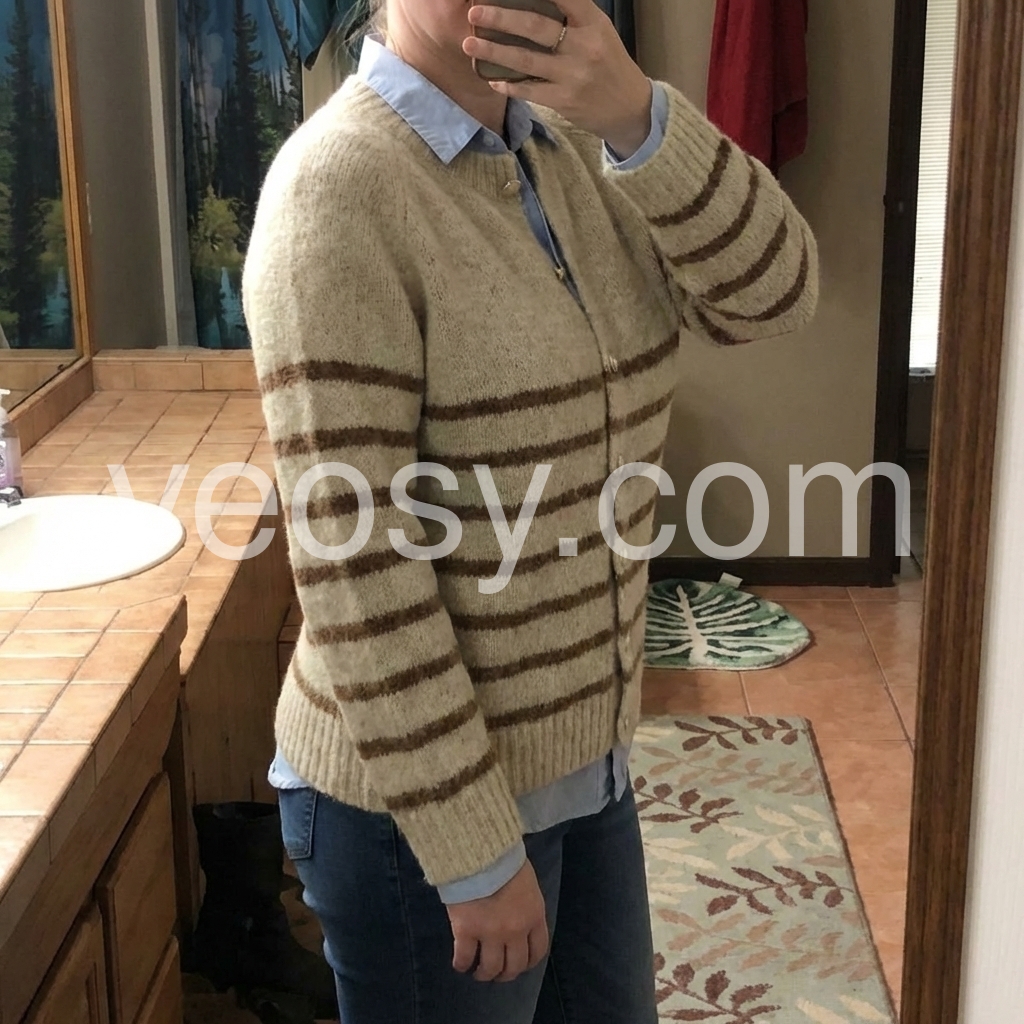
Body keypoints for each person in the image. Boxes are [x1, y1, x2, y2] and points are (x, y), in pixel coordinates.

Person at [241, 1, 819, 1021]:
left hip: (587, 771)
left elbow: (777, 296)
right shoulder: (334, 190)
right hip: (416, 814)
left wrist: (638, 114)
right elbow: (358, 569)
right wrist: (472, 854)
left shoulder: (578, 152)